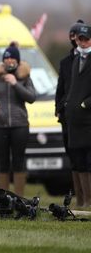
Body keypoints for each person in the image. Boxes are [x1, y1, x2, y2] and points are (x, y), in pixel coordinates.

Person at [0, 42, 36, 197]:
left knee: (18, 162)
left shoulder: (24, 77)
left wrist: (16, 84)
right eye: (7, 58)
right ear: (3, 60)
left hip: (20, 126)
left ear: (18, 61)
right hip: (0, 127)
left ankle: (19, 198)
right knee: (3, 163)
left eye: (12, 59)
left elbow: (31, 98)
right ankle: (4, 198)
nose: (9, 61)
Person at [56, 20, 86, 205]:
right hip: (68, 115)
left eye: (80, 36)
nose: (76, 39)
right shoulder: (67, 62)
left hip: (84, 114)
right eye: (74, 36)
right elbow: (61, 88)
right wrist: (59, 109)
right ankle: (80, 197)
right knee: (73, 155)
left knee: (85, 157)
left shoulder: (84, 60)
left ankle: (86, 198)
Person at [64, 24, 91, 207]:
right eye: (80, 39)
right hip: (74, 119)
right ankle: (82, 201)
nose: (82, 42)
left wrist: (86, 104)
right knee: (78, 160)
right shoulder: (75, 60)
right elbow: (71, 87)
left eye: (86, 39)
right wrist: (68, 105)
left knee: (89, 160)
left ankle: (89, 200)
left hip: (88, 118)